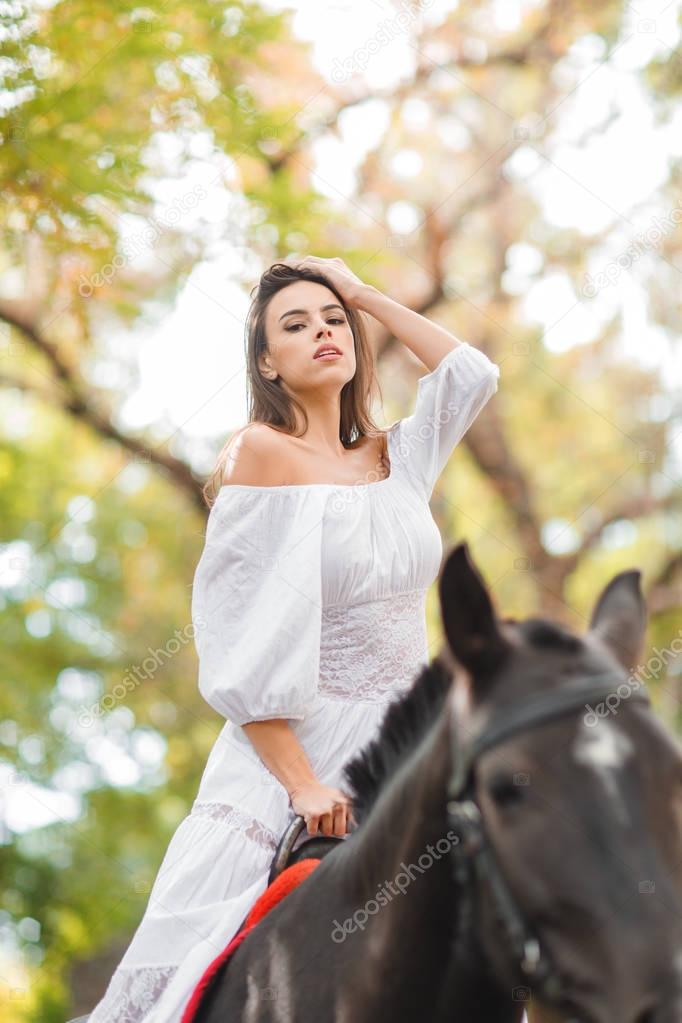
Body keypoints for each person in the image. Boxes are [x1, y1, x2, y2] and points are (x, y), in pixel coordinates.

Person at [86, 255, 500, 1022]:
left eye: (333, 318)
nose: (323, 332)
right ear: (268, 363)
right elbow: (240, 643)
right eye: (296, 325)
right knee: (197, 971)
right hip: (299, 750)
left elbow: (471, 373)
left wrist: (366, 293)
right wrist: (301, 784)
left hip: (415, 739)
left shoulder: (398, 458)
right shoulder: (260, 455)